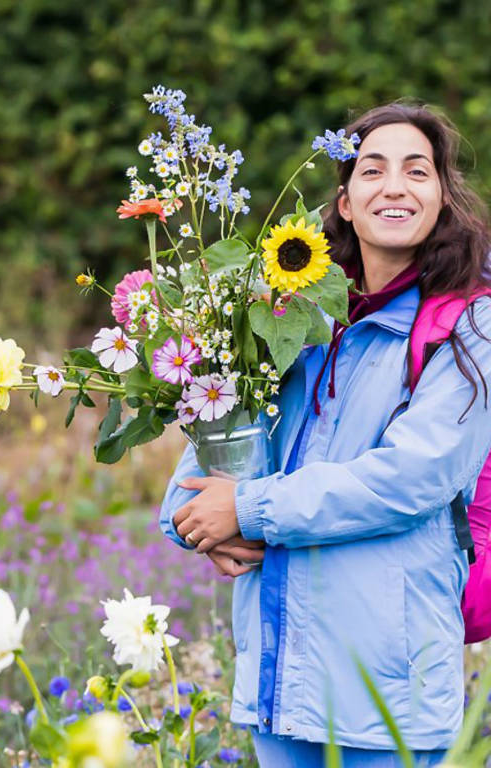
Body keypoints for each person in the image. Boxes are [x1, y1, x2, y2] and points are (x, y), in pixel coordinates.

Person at [158, 102, 491, 767]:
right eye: (373, 170)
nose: (394, 186)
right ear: (343, 202)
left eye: (417, 171)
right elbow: (222, 435)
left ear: (441, 198)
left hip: (387, 697)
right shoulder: (291, 324)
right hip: (280, 688)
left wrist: (247, 510)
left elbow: (409, 480)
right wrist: (191, 519)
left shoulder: (469, 328)